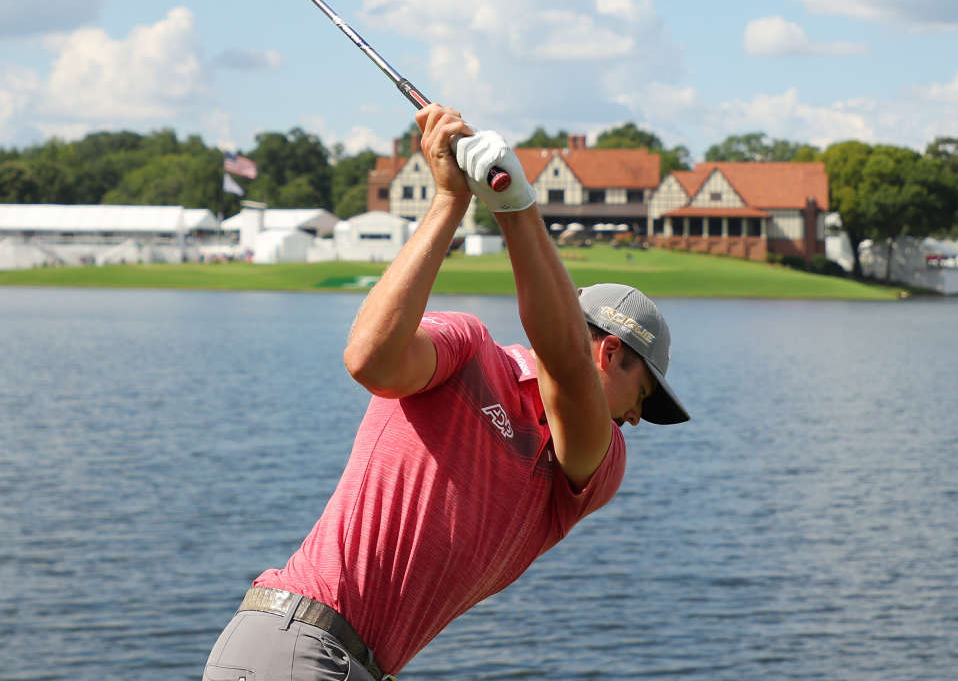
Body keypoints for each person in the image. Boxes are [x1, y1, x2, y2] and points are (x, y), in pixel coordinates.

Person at [203, 103, 691, 680]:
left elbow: (564, 361)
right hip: (299, 644)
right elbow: (368, 359)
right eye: (644, 396)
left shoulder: (594, 466)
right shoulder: (465, 347)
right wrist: (450, 201)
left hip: (340, 662)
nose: (637, 419)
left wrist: (515, 206)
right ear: (610, 352)